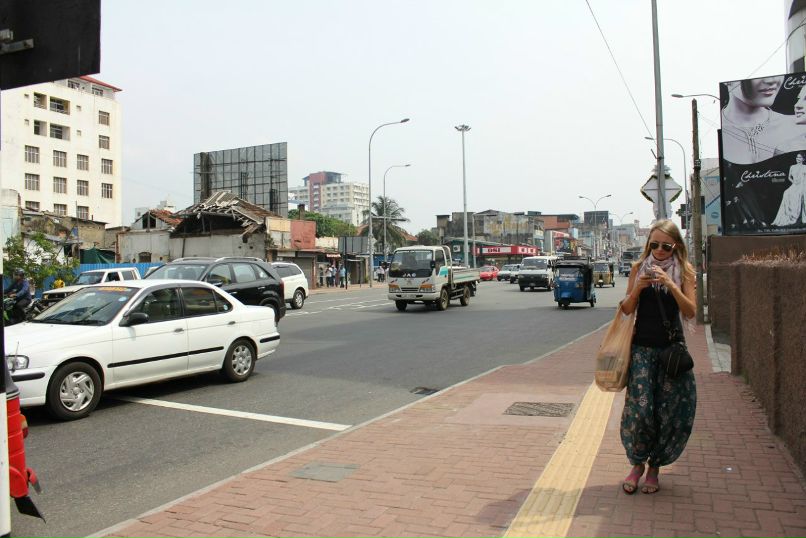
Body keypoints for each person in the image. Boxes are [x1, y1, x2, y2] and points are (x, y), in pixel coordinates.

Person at [618, 219, 697, 495]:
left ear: (675, 245)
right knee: (640, 413)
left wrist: (670, 285)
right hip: (642, 351)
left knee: (668, 413)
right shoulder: (639, 268)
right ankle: (637, 465)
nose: (660, 250)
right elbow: (627, 308)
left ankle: (654, 468)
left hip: (671, 354)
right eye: (654, 244)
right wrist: (639, 287)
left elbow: (690, 312)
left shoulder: (684, 271)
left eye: (666, 245)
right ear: (648, 244)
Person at [721, 76, 795, 164]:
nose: (771, 80)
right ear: (727, 82)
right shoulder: (713, 131)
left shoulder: (796, 126)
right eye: (756, 75)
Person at [772, 152, 806, 226]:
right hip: (794, 185)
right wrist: (793, 181)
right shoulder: (792, 167)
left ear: (803, 159)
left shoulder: (805, 167)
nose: (798, 159)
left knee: (799, 194)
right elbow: (789, 177)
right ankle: (789, 215)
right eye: (797, 157)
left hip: (802, 185)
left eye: (800, 157)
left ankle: (797, 215)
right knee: (786, 192)